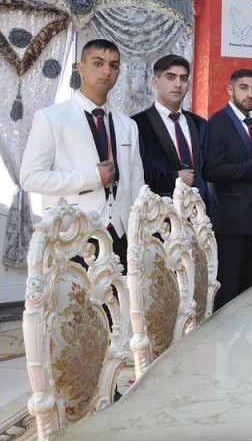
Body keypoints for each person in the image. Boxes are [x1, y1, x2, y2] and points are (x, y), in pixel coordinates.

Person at [20, 38, 144, 270]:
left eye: (114, 66)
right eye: (98, 63)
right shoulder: (51, 117)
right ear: (81, 68)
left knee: (120, 294)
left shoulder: (128, 125)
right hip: (71, 235)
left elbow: (136, 184)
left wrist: (137, 233)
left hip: (121, 235)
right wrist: (91, 177)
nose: (107, 71)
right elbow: (29, 178)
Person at [204, 69, 252, 310]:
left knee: (249, 291)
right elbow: (212, 170)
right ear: (230, 90)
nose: (250, 94)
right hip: (229, 223)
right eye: (244, 87)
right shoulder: (218, 122)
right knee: (228, 294)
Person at [132, 54, 210, 211]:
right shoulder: (137, 124)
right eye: (170, 77)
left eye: (183, 78)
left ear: (188, 84)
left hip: (199, 214)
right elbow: (133, 175)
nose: (178, 84)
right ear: (155, 82)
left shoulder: (200, 124)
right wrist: (174, 179)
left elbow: (207, 170)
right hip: (157, 215)